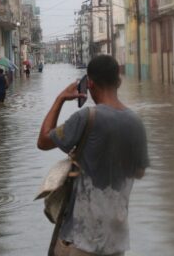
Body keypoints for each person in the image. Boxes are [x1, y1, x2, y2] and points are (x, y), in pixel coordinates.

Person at [37, 55, 149, 256]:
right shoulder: (136, 123)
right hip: (116, 241)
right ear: (119, 81)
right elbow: (139, 172)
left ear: (89, 84)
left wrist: (60, 98)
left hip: (81, 239)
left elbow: (44, 141)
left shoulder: (87, 117)